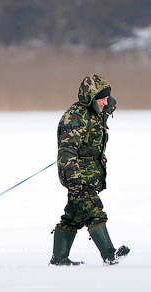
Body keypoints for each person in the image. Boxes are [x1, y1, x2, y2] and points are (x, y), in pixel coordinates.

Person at [49, 74, 130, 266]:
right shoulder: (75, 117)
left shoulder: (95, 114)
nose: (105, 102)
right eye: (102, 98)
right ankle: (109, 255)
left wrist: (107, 107)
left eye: (107, 98)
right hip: (79, 176)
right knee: (95, 212)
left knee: (72, 216)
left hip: (90, 174)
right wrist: (74, 179)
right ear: (92, 97)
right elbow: (67, 151)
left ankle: (59, 258)